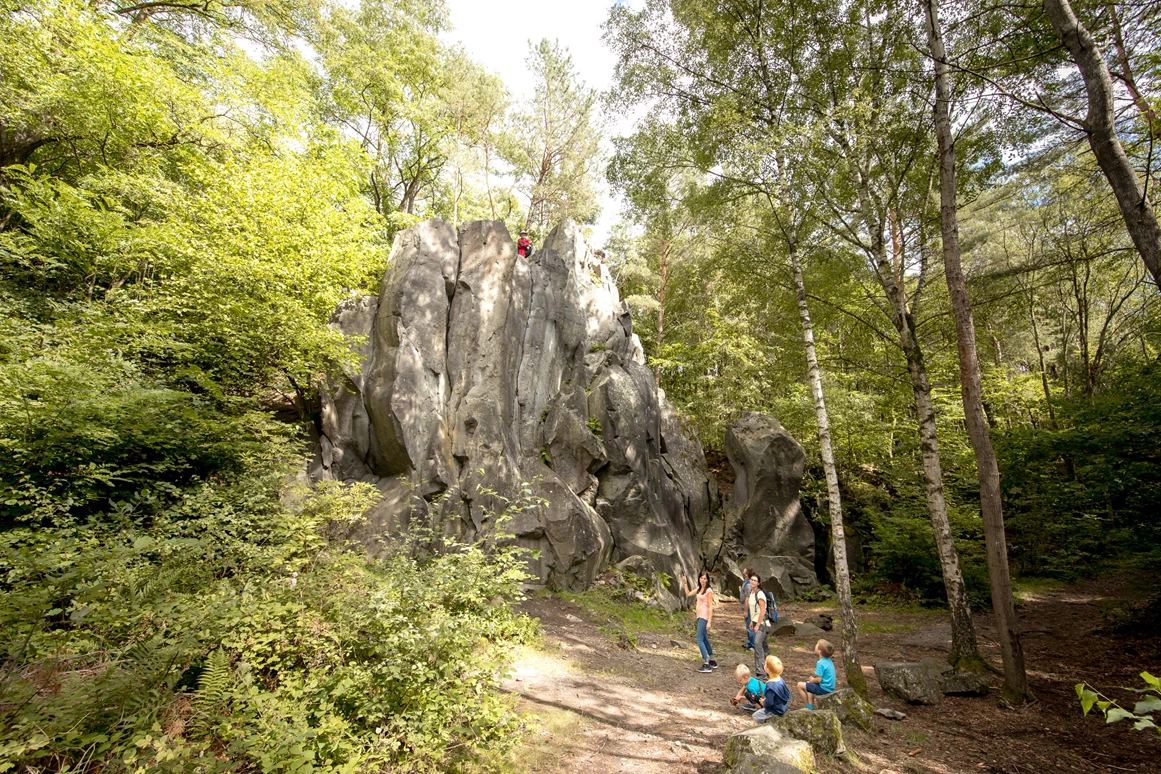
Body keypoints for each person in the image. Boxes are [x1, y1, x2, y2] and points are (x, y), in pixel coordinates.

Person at [682, 570, 717, 673]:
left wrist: (709, 621)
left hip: (704, 616)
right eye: (701, 578)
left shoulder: (708, 591)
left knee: (699, 639)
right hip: (699, 616)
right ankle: (712, 660)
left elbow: (711, 607)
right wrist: (685, 583)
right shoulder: (699, 589)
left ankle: (706, 664)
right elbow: (688, 594)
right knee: (705, 639)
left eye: (705, 578)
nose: (703, 580)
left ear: (707, 580)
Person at [796, 639, 837, 710]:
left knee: (799, 685)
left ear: (819, 651)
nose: (815, 645)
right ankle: (811, 705)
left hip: (824, 689)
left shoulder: (820, 663)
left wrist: (812, 680)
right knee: (809, 684)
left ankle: (806, 706)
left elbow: (818, 679)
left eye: (817, 644)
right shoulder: (829, 661)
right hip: (830, 687)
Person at [753, 655, 791, 723]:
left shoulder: (771, 686)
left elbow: (769, 703)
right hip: (782, 708)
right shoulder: (780, 680)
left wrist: (763, 702)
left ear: (767, 670)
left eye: (765, 664)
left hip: (775, 711)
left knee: (755, 716)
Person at [747, 574, 770, 679]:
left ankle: (761, 671)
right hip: (755, 621)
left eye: (755, 580)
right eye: (751, 580)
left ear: (758, 583)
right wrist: (752, 621)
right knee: (764, 647)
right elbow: (753, 610)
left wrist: (758, 624)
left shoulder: (760, 594)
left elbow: (762, 610)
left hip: (762, 623)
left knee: (757, 645)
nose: (752, 582)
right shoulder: (752, 593)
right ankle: (769, 669)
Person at [740, 568, 755, 650]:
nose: (743, 571)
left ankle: (752, 645)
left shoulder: (748, 585)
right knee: (748, 626)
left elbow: (747, 599)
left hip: (748, 608)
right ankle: (748, 643)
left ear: (746, 574)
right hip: (745, 606)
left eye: (744, 571)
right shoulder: (746, 582)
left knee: (750, 626)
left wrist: (746, 611)